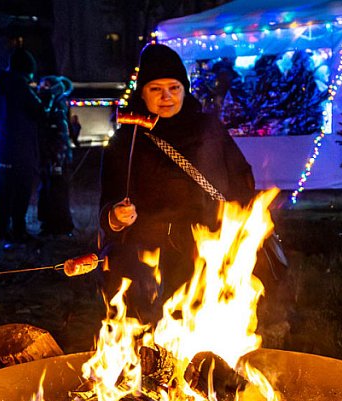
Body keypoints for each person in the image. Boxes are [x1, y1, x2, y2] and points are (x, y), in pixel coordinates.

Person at [98, 43, 256, 327]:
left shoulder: (208, 129)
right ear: (142, 93)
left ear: (185, 89)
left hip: (205, 247)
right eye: (156, 89)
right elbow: (107, 205)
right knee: (152, 331)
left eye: (174, 87)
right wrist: (116, 217)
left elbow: (240, 178)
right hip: (148, 256)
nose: (166, 96)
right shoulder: (127, 141)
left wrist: (239, 225)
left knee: (202, 328)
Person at [0, 47, 44, 243]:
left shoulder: (0, 87)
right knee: (21, 188)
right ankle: (18, 229)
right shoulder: (20, 87)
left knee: (6, 188)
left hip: (4, 145)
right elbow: (39, 111)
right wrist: (45, 96)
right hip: (21, 145)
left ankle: (2, 228)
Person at [36, 75, 75, 236]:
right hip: (50, 154)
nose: (40, 87)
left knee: (56, 190)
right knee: (48, 189)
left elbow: (60, 132)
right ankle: (50, 224)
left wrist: (57, 158)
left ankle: (59, 225)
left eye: (43, 85)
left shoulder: (56, 102)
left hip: (56, 156)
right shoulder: (50, 102)